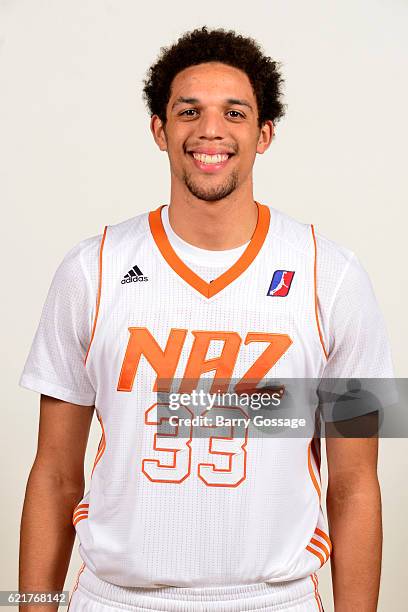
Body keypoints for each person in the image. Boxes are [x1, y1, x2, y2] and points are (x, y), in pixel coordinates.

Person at [19, 26, 394, 612]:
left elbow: (355, 486)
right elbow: (53, 475)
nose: (210, 130)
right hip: (117, 599)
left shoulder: (334, 276)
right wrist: (28, 607)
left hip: (275, 599)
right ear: (159, 130)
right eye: (188, 111)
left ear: (265, 134)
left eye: (235, 113)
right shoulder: (89, 269)